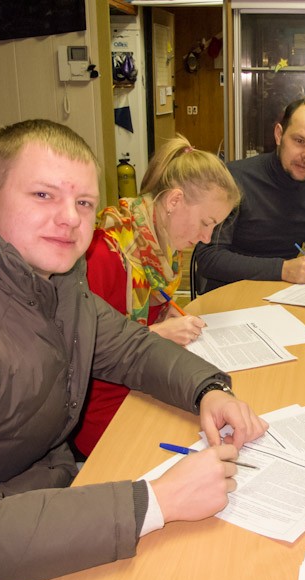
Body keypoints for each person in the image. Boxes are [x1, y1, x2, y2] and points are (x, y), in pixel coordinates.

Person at [0, 119, 268, 580]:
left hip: (48, 495)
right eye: (44, 195)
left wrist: (207, 389)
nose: (70, 219)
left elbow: (130, 348)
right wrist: (154, 502)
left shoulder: (56, 282)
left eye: (84, 203)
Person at [71, 135, 240, 459]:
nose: (206, 238)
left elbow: (145, 311)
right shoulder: (103, 253)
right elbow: (78, 351)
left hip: (143, 385)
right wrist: (156, 333)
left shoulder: (160, 249)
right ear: (174, 201)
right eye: (206, 223)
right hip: (103, 408)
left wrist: (165, 316)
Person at [193, 97, 305, 293]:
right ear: (279, 135)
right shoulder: (234, 179)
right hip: (230, 293)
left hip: (283, 294)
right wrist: (282, 269)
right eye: (299, 141)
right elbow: (210, 258)